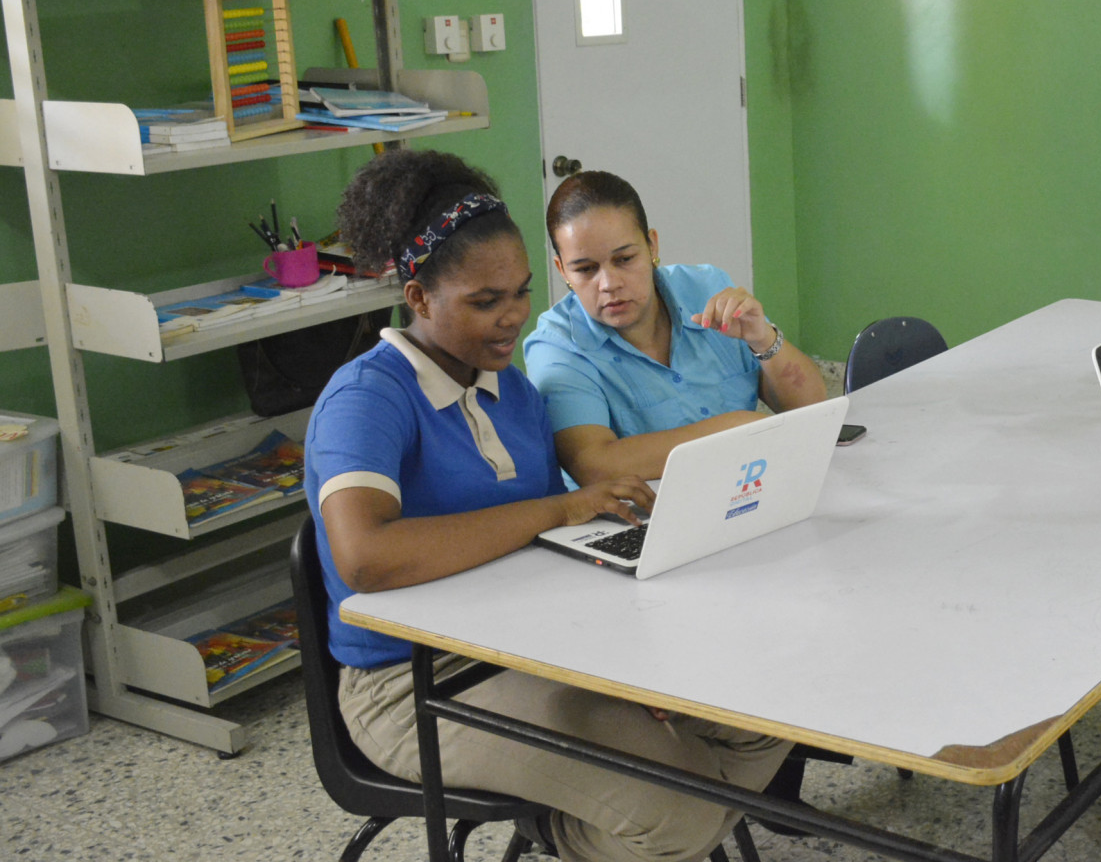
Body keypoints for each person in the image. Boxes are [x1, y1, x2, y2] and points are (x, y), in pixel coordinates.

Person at [306, 150, 790, 862]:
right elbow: (366, 558)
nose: (512, 319)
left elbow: (548, 551)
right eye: (485, 302)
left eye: (521, 293)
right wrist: (557, 511)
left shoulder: (514, 393)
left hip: (530, 648)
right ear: (419, 298)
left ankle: (655, 819)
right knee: (681, 811)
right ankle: (576, 835)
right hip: (414, 682)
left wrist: (624, 643)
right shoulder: (367, 397)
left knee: (767, 713)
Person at [524, 170, 827, 484]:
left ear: (652, 247)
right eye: (586, 269)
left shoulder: (707, 288)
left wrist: (763, 339)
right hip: (642, 511)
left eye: (624, 259)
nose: (609, 284)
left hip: (743, 488)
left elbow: (814, 409)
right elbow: (594, 464)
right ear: (562, 270)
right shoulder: (556, 346)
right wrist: (734, 431)